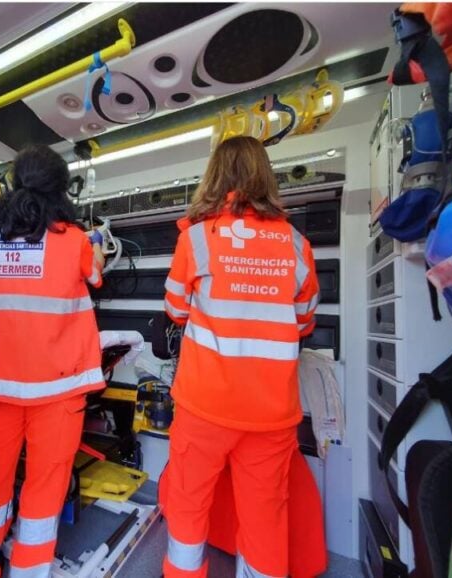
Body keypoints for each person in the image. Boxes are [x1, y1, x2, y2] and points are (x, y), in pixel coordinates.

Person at [162, 136, 319, 578]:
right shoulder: (295, 244)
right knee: (265, 517)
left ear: (215, 176)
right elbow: (304, 320)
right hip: (271, 412)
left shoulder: (195, 239)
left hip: (204, 406)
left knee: (189, 505)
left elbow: (175, 309)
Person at [0, 144, 105, 578]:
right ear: (61, 190)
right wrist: (97, 250)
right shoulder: (73, 239)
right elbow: (95, 276)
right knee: (43, 489)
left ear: (15, 184)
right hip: (55, 392)